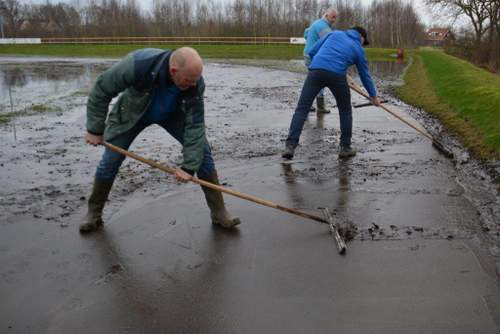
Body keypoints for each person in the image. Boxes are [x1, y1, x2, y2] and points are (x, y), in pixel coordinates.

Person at [81, 47, 241, 233]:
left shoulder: (195, 82)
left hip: (172, 114)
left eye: (195, 80)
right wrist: (94, 129)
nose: (193, 85)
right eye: (189, 80)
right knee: (111, 160)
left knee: (203, 153)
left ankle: (220, 213)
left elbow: (195, 126)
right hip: (133, 112)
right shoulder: (137, 64)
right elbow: (102, 88)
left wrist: (189, 166)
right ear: (174, 71)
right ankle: (93, 213)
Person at [282, 26, 381, 160]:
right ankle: (345, 148)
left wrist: (324, 62)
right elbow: (365, 75)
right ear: (361, 37)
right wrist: (374, 96)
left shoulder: (334, 34)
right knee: (345, 110)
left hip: (316, 71)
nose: (363, 44)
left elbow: (311, 52)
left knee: (302, 109)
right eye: (364, 42)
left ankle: (290, 146)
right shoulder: (359, 49)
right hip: (337, 76)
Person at [303, 7, 337, 114]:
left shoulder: (317, 23)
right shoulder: (323, 27)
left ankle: (307, 105)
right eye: (332, 17)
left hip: (309, 55)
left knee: (313, 81)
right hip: (313, 57)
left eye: (335, 17)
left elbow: (306, 33)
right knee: (318, 81)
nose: (334, 20)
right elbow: (330, 43)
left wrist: (311, 40)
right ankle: (319, 107)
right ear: (326, 15)